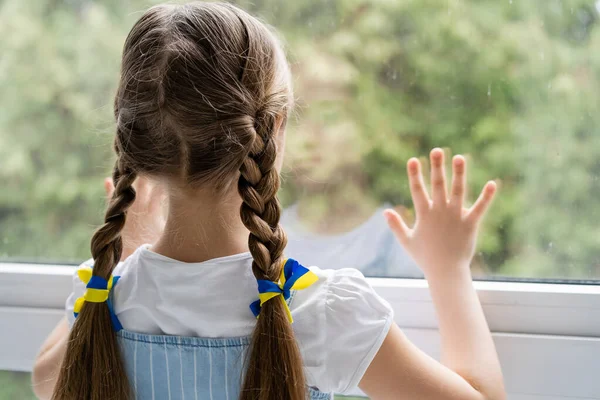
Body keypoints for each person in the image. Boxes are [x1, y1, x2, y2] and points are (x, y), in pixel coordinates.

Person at [31, 3, 505, 400]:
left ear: (132, 142)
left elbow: (46, 378)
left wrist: (131, 248)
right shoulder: (319, 311)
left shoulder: (102, 296)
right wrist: (447, 270)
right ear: (273, 129)